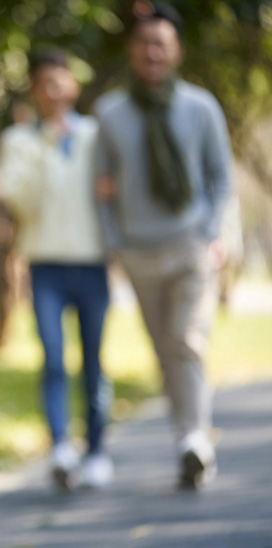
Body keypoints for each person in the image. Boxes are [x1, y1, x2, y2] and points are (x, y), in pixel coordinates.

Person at [93, 2, 231, 489]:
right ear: (133, 50)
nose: (153, 52)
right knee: (164, 350)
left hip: (191, 245)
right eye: (145, 43)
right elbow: (101, 186)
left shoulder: (201, 107)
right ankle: (189, 437)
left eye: (162, 44)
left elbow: (221, 178)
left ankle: (194, 437)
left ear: (176, 52)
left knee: (187, 341)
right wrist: (114, 246)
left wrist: (213, 233)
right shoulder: (109, 113)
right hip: (139, 252)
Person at [0, 49, 113, 491]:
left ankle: (97, 451)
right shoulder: (18, 142)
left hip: (94, 264)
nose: (54, 88)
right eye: (45, 82)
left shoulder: (99, 136)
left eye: (61, 79)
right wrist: (46, 147)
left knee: (95, 362)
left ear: (73, 85)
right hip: (44, 266)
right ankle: (61, 446)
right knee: (55, 359)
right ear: (35, 91)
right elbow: (21, 202)